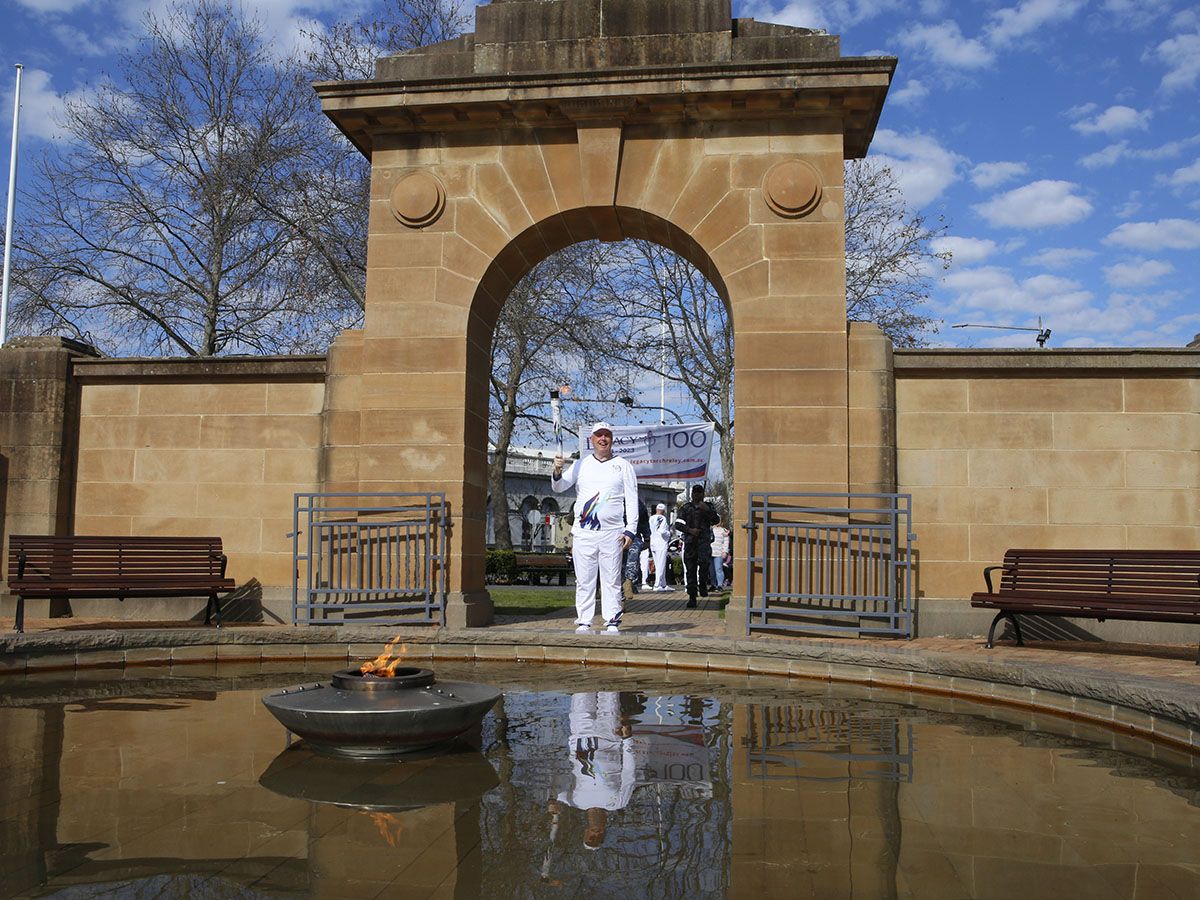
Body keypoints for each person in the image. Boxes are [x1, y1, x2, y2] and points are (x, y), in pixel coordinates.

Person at [553, 422, 639, 634]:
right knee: (584, 579)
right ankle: (584, 620)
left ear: (611, 439)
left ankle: (612, 620)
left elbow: (632, 499)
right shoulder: (581, 465)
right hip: (584, 533)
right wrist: (556, 470)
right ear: (591, 440)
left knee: (611, 579)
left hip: (612, 533)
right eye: (598, 435)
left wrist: (631, 529)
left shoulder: (623, 466)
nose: (603, 439)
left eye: (606, 435)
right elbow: (559, 486)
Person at [677, 484, 718, 608]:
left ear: (703, 494)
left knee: (704, 564)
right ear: (692, 494)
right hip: (690, 542)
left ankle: (703, 584)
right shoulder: (686, 508)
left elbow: (716, 520)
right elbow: (678, 524)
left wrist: (707, 510)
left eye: (699, 492)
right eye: (695, 492)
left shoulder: (708, 506)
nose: (697, 495)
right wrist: (689, 530)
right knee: (691, 570)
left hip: (704, 543)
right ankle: (692, 596)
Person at [624, 499, 650, 596]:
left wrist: (647, 538)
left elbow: (644, 521)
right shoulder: (610, 498)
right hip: (615, 536)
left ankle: (629, 582)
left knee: (633, 559)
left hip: (634, 536)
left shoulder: (637, 503)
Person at [648, 502, 671, 591]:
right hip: (661, 543)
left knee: (658, 564)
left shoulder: (651, 518)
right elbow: (662, 531)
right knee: (661, 565)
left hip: (653, 542)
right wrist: (669, 533)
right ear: (664, 511)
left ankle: (663, 584)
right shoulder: (663, 518)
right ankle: (657, 585)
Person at [710, 516, 729, 590]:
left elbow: (726, 542)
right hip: (710, 553)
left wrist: (725, 551)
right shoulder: (710, 530)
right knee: (711, 571)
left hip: (719, 553)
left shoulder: (723, 530)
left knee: (719, 569)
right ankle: (713, 585)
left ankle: (720, 585)